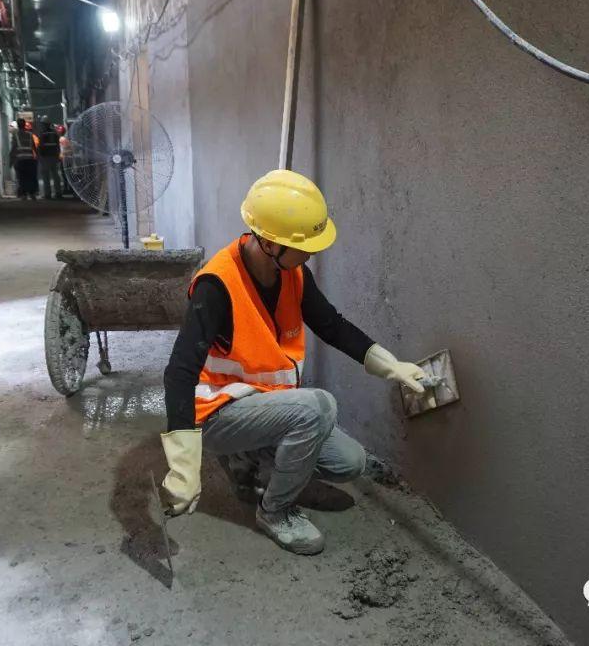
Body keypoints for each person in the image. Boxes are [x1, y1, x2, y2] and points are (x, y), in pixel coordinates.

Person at [160, 170, 426, 555]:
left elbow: (332, 325)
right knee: (318, 407)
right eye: (304, 246)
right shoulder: (216, 285)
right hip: (217, 414)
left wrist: (390, 364)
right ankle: (275, 512)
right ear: (270, 243)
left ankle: (250, 457)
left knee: (349, 462)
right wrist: (183, 466)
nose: (312, 254)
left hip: (265, 407)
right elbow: (179, 372)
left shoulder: (293, 273)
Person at [9, 118, 39, 199]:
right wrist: (37, 158)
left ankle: (24, 194)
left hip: (21, 160)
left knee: (22, 177)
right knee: (31, 177)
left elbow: (13, 149)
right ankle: (32, 193)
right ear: (24, 125)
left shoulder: (16, 136)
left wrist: (11, 160)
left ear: (18, 125)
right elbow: (34, 148)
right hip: (30, 159)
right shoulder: (30, 135)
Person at [38, 119, 63, 199]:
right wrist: (58, 155)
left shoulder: (43, 134)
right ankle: (58, 193)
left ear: (45, 125)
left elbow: (41, 146)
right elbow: (58, 146)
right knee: (55, 175)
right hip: (54, 156)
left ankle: (48, 194)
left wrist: (39, 156)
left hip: (45, 157)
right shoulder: (55, 133)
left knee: (46, 176)